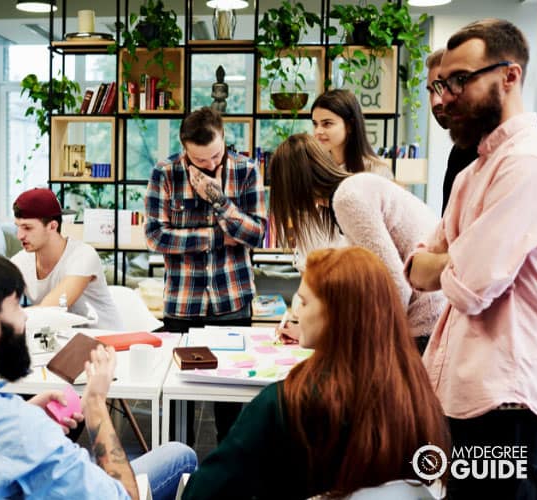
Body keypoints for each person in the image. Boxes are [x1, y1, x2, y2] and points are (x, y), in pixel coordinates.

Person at [0, 252, 196, 499]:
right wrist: (95, 404)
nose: (26, 317)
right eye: (17, 306)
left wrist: (25, 412)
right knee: (181, 455)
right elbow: (124, 496)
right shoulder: (27, 437)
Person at [408, 19, 537, 499]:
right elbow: (417, 267)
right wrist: (448, 262)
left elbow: (469, 284)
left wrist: (449, 262)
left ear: (509, 77)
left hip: (505, 401)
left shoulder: (529, 164)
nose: (444, 99)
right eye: (441, 85)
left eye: (460, 81)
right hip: (464, 395)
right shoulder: (473, 173)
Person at [182, 247, 450, 499]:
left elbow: (203, 492)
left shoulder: (285, 403)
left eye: (305, 303)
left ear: (336, 316)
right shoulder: (416, 397)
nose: (296, 313)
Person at [145, 106, 267, 443]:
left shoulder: (246, 170)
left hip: (233, 301)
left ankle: (229, 477)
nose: (211, 164)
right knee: (176, 403)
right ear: (185, 149)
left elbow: (257, 234)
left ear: (224, 138)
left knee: (230, 405)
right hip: (182, 304)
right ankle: (174, 469)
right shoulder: (165, 173)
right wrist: (217, 236)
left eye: (216, 155)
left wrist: (219, 201)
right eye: (201, 161)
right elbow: (156, 236)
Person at [270, 134, 444, 352]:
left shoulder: (348, 197)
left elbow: (394, 285)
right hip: (422, 318)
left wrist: (369, 348)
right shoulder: (348, 193)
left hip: (422, 323)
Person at [10, 188, 123, 330]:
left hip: (106, 342)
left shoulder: (83, 255)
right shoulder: (19, 261)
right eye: (18, 227)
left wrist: (8, 317)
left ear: (52, 226)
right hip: (62, 340)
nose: (19, 235)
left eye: (27, 228)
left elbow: (51, 310)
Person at [425, 48, 479, 214]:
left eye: (445, 88)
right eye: (432, 91)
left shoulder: (506, 155)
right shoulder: (460, 151)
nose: (436, 102)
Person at [311, 89, 393, 179]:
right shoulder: (315, 168)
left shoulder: (376, 171)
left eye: (327, 123)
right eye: (315, 124)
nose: (318, 131)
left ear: (349, 125)